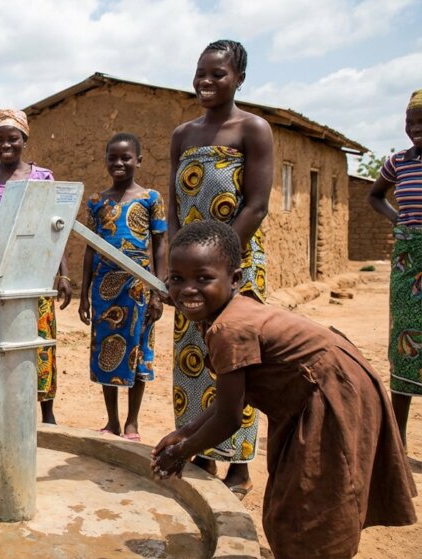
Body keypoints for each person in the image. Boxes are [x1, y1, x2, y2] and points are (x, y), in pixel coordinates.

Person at [152, 220, 416, 559]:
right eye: (177, 279)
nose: (188, 290)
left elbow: (230, 419)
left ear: (234, 279)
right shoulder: (233, 311)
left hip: (330, 395)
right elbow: (228, 403)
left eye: (203, 278)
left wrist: (182, 451)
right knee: (299, 493)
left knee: (312, 501)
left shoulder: (229, 329)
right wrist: (185, 431)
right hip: (325, 389)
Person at [167, 39, 273, 498]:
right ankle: (203, 454)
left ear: (239, 79)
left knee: (235, 360)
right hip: (190, 273)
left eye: (218, 74)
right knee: (194, 360)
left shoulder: (253, 129)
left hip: (236, 267)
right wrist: (177, 258)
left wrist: (222, 258)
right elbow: (173, 206)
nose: (206, 83)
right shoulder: (182, 135)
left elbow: (257, 204)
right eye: (200, 73)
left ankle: (240, 469)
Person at [0, 108, 72, 424]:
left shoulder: (43, 177)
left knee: (39, 335)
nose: (6, 145)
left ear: (24, 139)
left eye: (13, 139)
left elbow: (56, 226)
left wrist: (63, 272)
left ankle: (46, 411)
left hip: (35, 265)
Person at [78, 133, 167, 442]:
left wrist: (158, 292)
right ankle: (112, 420)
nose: (118, 163)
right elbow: (90, 249)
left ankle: (132, 422)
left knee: (138, 353)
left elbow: (160, 246)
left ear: (138, 161)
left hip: (140, 292)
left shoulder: (150, 199)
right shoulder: (96, 201)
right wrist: (84, 295)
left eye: (125, 158)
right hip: (104, 290)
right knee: (107, 352)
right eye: (112, 158)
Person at [367, 88, 422, 447]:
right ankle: (396, 443)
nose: (415, 128)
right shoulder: (398, 162)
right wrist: (396, 218)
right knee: (403, 341)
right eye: (410, 122)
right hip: (407, 259)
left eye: (421, 122)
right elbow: (375, 195)